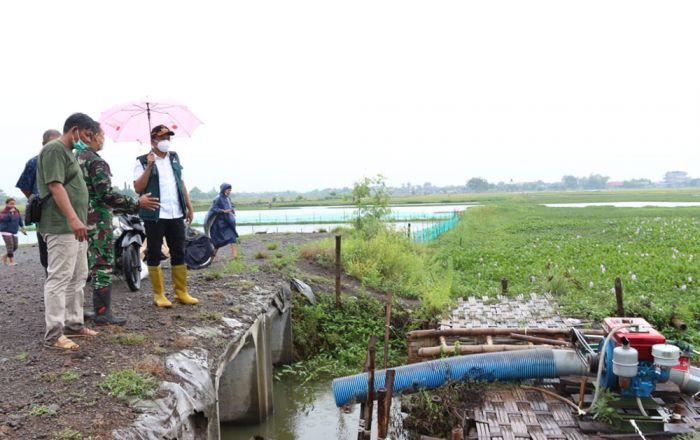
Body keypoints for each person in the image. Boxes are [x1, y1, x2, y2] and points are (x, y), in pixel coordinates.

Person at [77, 122, 160, 325]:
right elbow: (106, 195)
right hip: (97, 221)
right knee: (103, 265)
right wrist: (136, 202)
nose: (104, 138)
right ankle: (103, 313)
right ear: (92, 135)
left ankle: (77, 312)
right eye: (102, 134)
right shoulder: (96, 162)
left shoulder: (77, 158)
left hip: (80, 218)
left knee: (83, 267)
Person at [37, 113, 99, 350]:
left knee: (78, 275)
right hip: (61, 225)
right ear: (74, 130)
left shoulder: (69, 154)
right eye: (86, 134)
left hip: (76, 227)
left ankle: (74, 322)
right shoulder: (54, 150)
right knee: (59, 278)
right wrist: (73, 218)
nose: (87, 139)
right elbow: (55, 185)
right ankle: (54, 333)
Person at [133, 124, 199, 307]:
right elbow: (138, 187)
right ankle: (159, 295)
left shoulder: (174, 158)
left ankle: (181, 292)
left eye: (168, 137)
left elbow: (181, 182)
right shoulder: (142, 161)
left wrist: (189, 205)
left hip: (176, 212)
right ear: (153, 140)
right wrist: (150, 166)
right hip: (155, 214)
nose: (166, 141)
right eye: (162, 138)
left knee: (179, 250)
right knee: (154, 252)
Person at [16, 129, 61, 271]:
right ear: (43, 143)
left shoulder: (65, 161)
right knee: (46, 253)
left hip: (64, 213)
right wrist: (34, 199)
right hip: (43, 215)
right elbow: (24, 186)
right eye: (51, 143)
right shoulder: (34, 162)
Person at [205, 183, 239, 260]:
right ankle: (211, 259)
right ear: (224, 189)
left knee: (232, 238)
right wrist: (223, 211)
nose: (230, 191)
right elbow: (213, 208)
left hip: (227, 223)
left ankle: (235, 257)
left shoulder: (228, 198)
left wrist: (232, 209)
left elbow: (232, 205)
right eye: (228, 190)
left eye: (230, 190)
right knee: (218, 243)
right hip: (218, 224)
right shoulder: (218, 198)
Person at [0, 198, 27, 265]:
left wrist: (22, 228)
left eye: (14, 204)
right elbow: (4, 219)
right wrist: (10, 213)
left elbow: (19, 220)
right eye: (11, 204)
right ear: (7, 204)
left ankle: (4, 256)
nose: (13, 205)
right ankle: (11, 262)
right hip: (5, 231)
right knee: (10, 246)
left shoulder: (16, 211)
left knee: (15, 247)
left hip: (14, 231)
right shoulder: (3, 212)